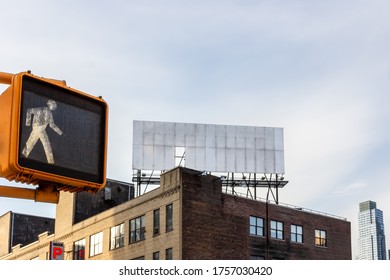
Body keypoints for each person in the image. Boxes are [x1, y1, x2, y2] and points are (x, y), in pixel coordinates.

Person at [21, 99, 63, 164]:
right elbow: (29, 111)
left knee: (32, 143)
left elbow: (52, 125)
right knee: (43, 144)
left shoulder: (49, 113)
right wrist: (28, 123)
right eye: (54, 104)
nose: (55, 106)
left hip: (41, 129)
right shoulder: (40, 109)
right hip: (37, 128)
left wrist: (60, 132)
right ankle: (51, 163)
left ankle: (23, 156)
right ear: (50, 105)